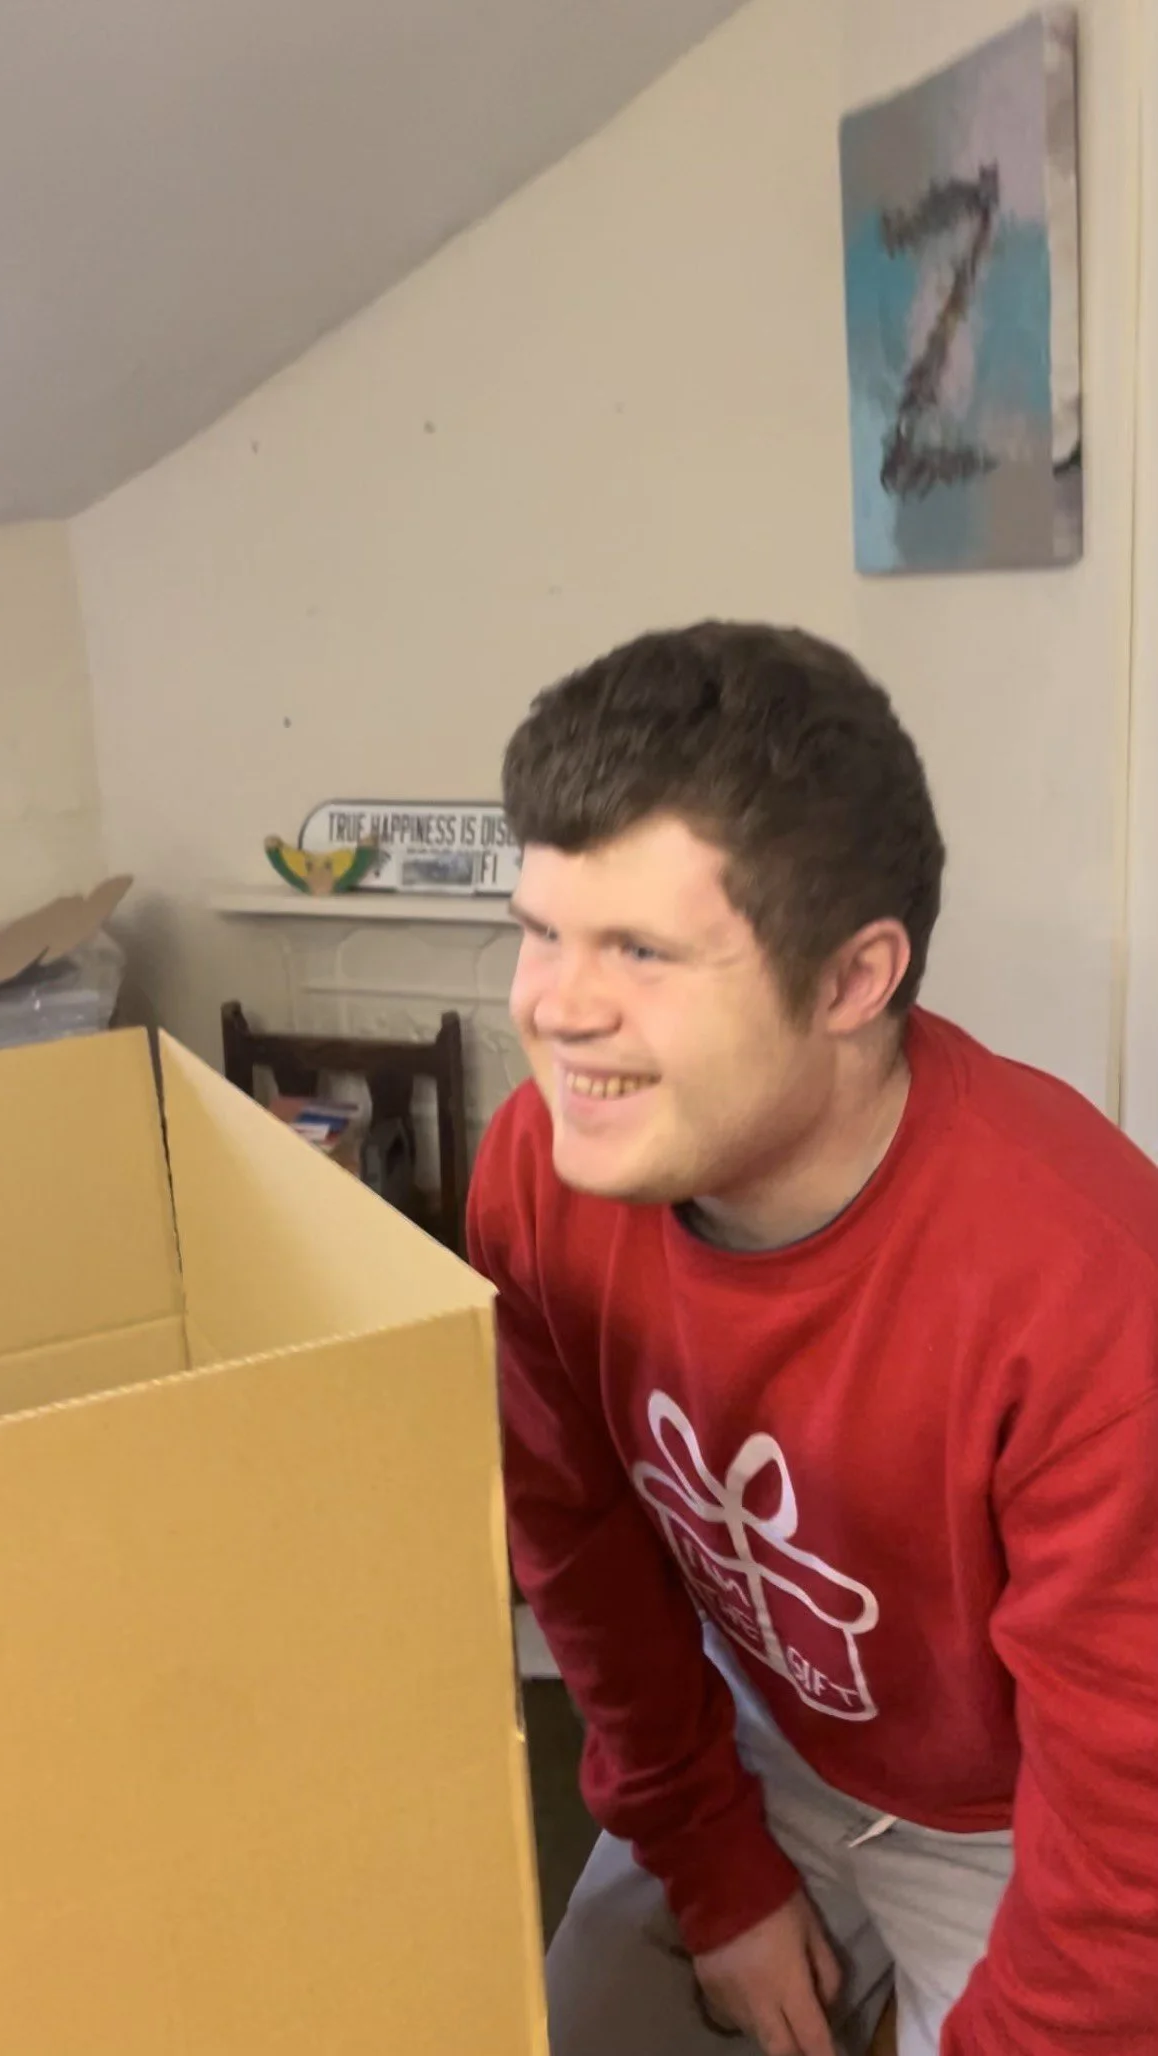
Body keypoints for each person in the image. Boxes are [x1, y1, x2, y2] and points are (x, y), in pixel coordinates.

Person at [466, 622, 1158, 2056]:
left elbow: (1129, 1826)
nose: (552, 1008)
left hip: (1023, 1817)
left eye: (641, 951)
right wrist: (715, 1874)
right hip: (761, 1742)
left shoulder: (1086, 1288)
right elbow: (576, 1544)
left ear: (851, 981)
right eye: (541, 931)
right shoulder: (543, 1167)